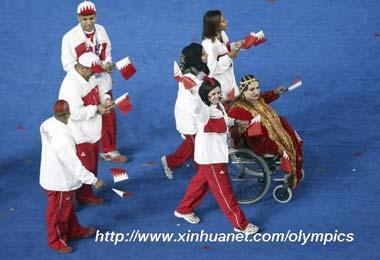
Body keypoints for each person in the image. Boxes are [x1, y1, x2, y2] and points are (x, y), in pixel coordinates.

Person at [174, 78, 259, 235]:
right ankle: (240, 224)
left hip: (215, 156)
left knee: (200, 183)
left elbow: (224, 119)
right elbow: (197, 107)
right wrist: (192, 92)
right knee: (225, 193)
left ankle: (183, 209)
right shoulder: (204, 111)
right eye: (212, 94)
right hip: (212, 159)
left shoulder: (218, 105)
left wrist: (236, 121)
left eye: (218, 92)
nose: (217, 96)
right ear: (205, 96)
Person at [61, 0, 127, 163]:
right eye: (85, 19)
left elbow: (108, 52)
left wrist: (107, 64)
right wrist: (87, 74)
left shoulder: (102, 31)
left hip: (103, 80)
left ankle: (109, 150)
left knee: (108, 112)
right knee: (84, 115)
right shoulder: (69, 37)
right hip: (84, 85)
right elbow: (68, 65)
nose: (88, 22)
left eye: (91, 18)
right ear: (78, 18)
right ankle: (81, 149)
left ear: (95, 16)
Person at [40, 100, 105, 254]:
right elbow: (74, 165)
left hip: (51, 173)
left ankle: (74, 231)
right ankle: (56, 241)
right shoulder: (63, 140)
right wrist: (94, 180)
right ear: (68, 114)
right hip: (61, 181)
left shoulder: (46, 124)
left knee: (66, 209)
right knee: (58, 213)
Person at [228, 75, 304, 188]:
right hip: (256, 141)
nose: (256, 92)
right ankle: (290, 167)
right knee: (285, 146)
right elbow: (234, 131)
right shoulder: (237, 109)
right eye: (252, 89)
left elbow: (264, 97)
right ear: (243, 92)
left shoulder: (256, 99)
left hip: (269, 133)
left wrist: (276, 92)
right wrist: (241, 129)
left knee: (292, 138)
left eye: (257, 88)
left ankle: (292, 167)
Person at [59, 52, 111, 206]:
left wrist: (106, 99)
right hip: (80, 135)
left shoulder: (89, 75)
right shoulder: (71, 86)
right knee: (84, 167)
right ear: (82, 68)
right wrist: (97, 109)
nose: (94, 73)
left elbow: (99, 90)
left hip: (92, 131)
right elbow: (74, 113)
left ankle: (85, 195)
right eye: (91, 71)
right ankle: (72, 199)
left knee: (92, 165)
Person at [161, 43, 209, 179]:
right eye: (204, 54)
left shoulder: (194, 70)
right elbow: (196, 104)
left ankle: (170, 162)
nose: (207, 56)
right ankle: (203, 176)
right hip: (191, 120)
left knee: (190, 145)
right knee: (199, 149)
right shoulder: (190, 81)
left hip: (194, 117)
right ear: (196, 58)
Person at [201, 10, 244, 101]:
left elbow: (225, 48)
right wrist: (229, 57)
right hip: (220, 82)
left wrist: (235, 45)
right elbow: (212, 69)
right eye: (223, 21)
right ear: (215, 26)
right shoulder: (208, 45)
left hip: (229, 77)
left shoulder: (222, 34)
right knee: (226, 106)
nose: (227, 22)